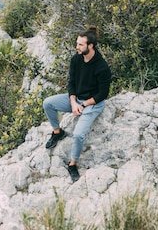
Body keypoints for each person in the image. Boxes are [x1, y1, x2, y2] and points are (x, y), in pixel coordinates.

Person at [42, 26, 112, 182]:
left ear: (90, 46)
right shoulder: (76, 59)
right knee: (48, 103)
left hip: (93, 103)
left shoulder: (102, 67)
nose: (77, 47)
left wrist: (83, 105)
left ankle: (72, 164)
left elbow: (102, 94)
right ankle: (58, 132)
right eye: (77, 43)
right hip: (76, 99)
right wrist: (73, 102)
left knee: (79, 134)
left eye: (80, 44)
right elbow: (71, 82)